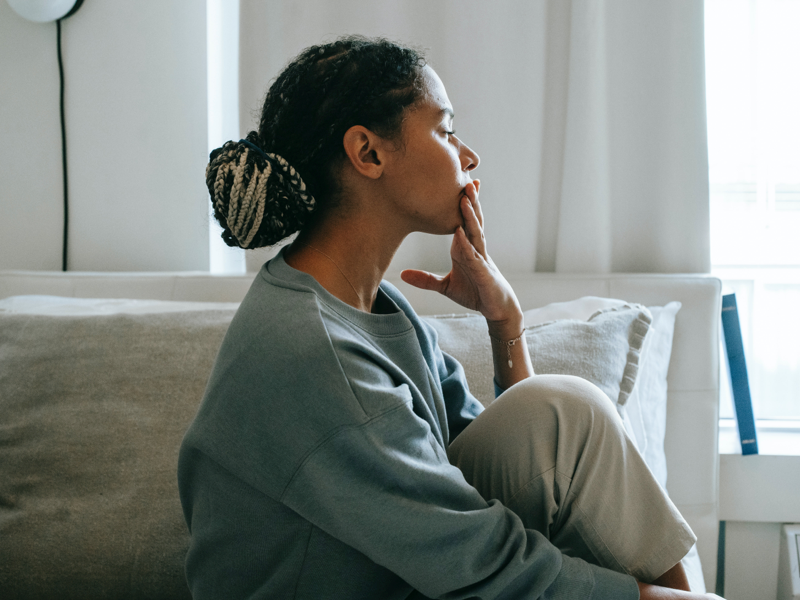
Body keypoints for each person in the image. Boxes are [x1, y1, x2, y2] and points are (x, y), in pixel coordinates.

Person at [178, 36, 724, 600]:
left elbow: (494, 468)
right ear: (368, 154)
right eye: (445, 129)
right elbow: (482, 559)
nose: (468, 156)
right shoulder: (312, 349)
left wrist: (505, 323)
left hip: (399, 574)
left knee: (567, 411)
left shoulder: (381, 310)